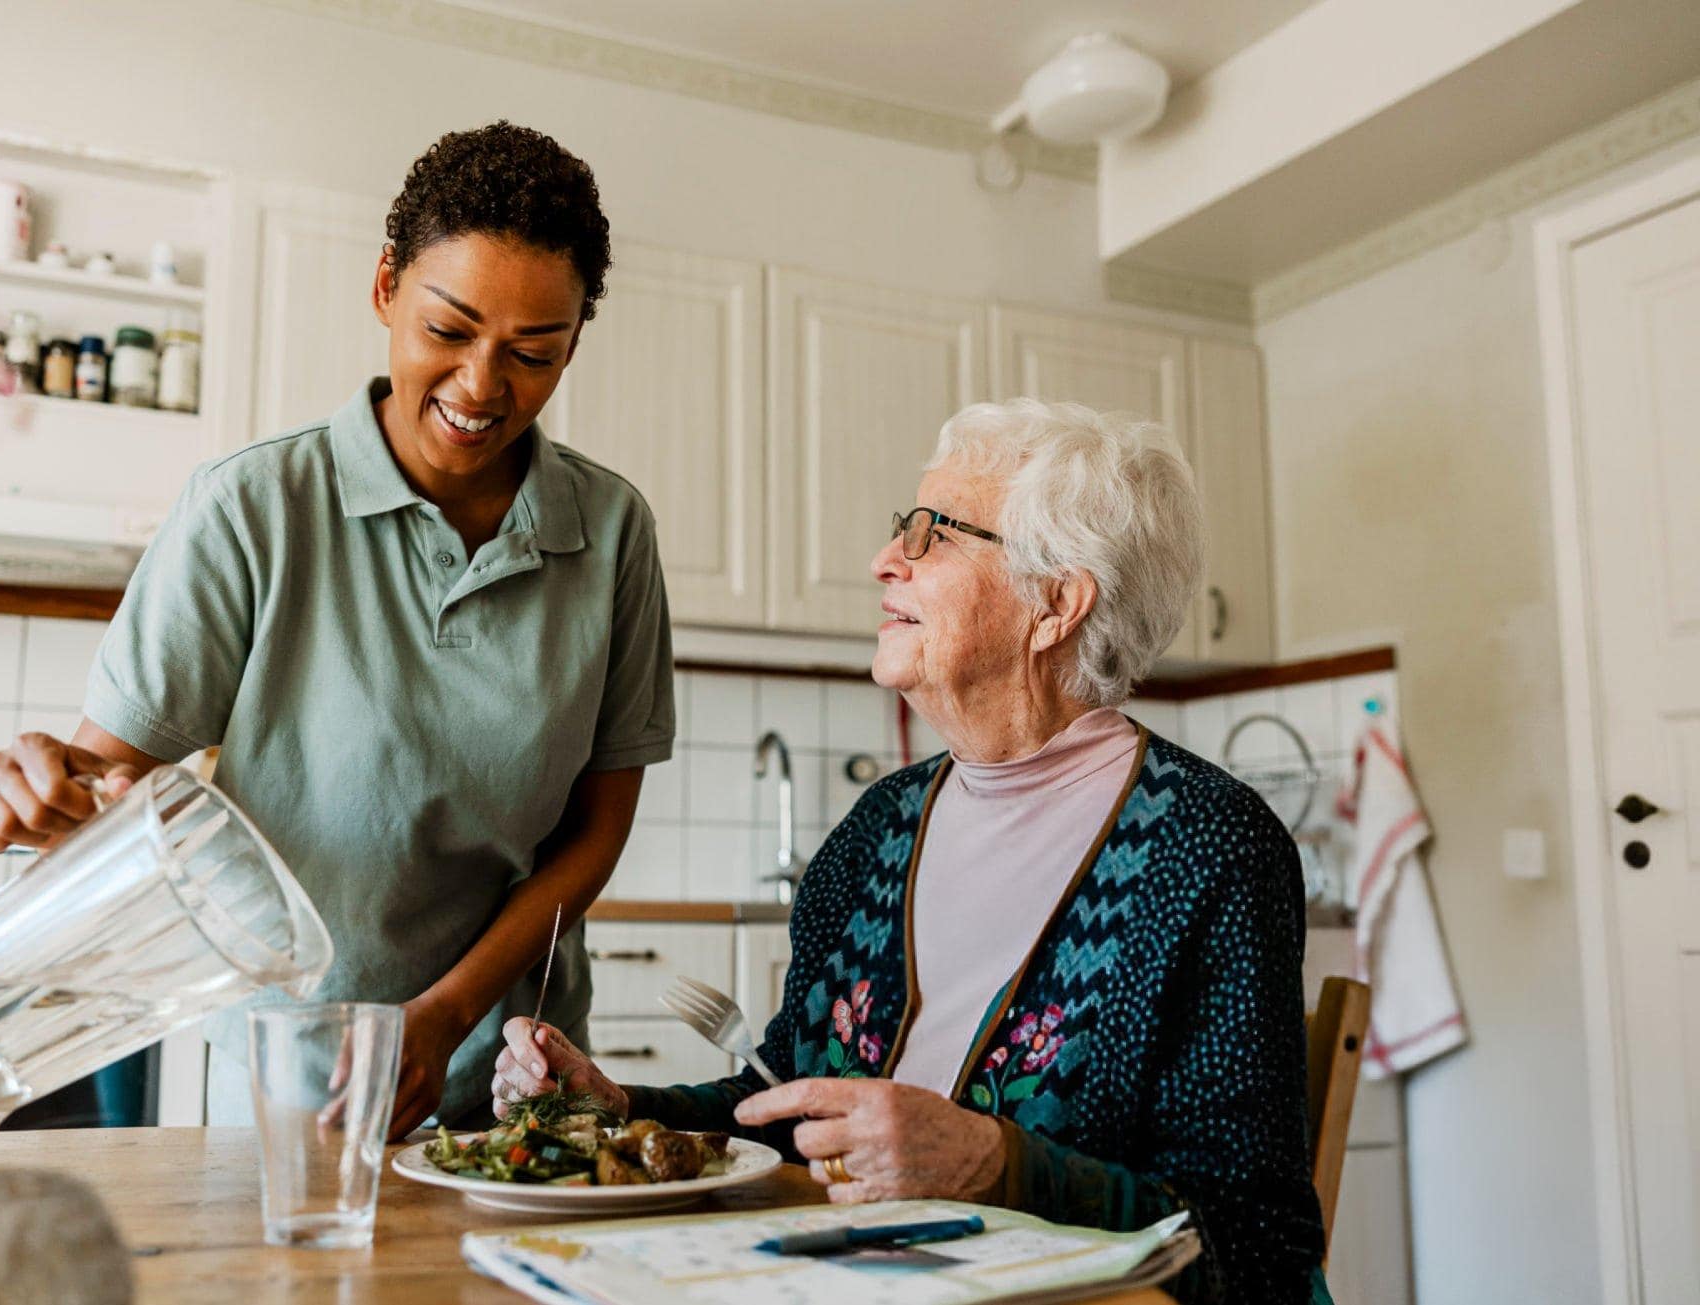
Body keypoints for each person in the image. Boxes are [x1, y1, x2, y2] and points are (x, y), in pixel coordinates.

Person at [494, 399, 1331, 1304]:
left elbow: (1256, 1246)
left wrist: (994, 1161)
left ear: (1056, 602)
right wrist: (622, 1110)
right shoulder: (878, 828)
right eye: (905, 526)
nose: (884, 558)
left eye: (935, 532)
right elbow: (787, 1104)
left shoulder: (1210, 848)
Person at [0, 122, 675, 1136]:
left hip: (519, 1067)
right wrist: (35, 791)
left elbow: (595, 831)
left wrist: (442, 1017)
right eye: (448, 329)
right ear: (385, 286)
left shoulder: (610, 534)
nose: (480, 386)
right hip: (292, 1065)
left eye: (531, 353)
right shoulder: (251, 508)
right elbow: (105, 779)